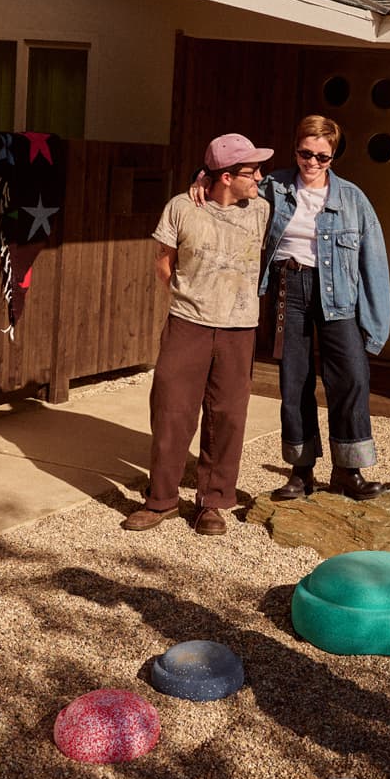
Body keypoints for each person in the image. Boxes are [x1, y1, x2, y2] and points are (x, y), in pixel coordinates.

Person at [122, 132, 272, 536]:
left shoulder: (262, 207)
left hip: (240, 327)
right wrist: (191, 299)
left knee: (227, 416)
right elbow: (164, 265)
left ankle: (212, 503)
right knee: (171, 409)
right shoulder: (181, 208)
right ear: (225, 176)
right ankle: (161, 500)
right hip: (187, 322)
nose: (259, 176)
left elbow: (310, 184)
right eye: (251, 170)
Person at [255, 115, 390, 501]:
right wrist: (202, 180)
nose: (312, 163)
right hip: (290, 288)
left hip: (339, 295)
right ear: (295, 149)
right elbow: (232, 191)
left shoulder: (353, 199)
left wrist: (376, 324)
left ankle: (349, 471)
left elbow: (374, 263)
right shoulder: (273, 187)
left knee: (351, 377)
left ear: (334, 156)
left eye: (322, 157)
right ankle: (301, 472)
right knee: (294, 379)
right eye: (305, 153)